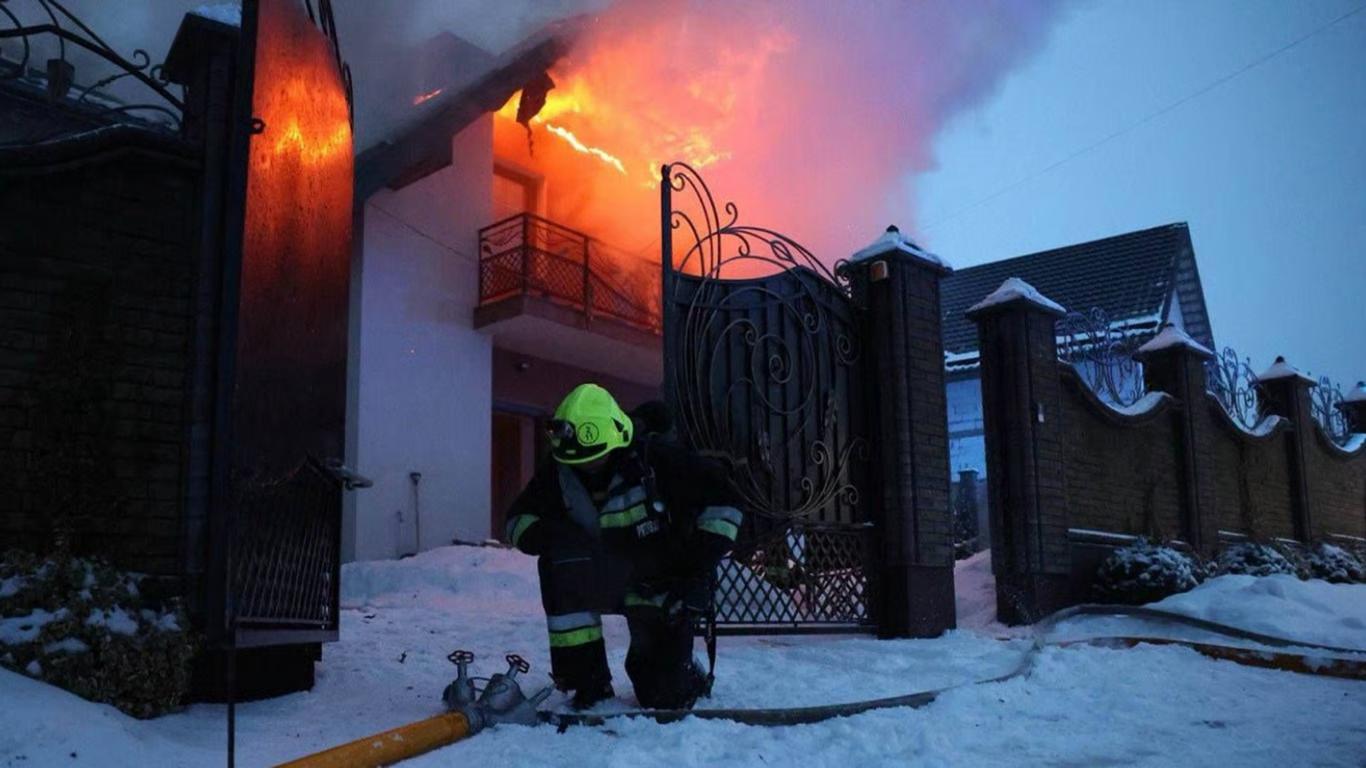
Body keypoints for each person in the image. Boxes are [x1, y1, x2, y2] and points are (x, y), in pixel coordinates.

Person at [503, 383, 742, 710]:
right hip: (599, 577)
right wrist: (556, 538)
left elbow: (725, 501)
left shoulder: (657, 460)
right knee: (560, 563)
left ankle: (683, 676)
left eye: (594, 459)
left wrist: (695, 565)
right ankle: (587, 682)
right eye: (578, 461)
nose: (585, 467)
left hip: (660, 584)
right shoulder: (559, 470)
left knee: (663, 697)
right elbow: (517, 520)